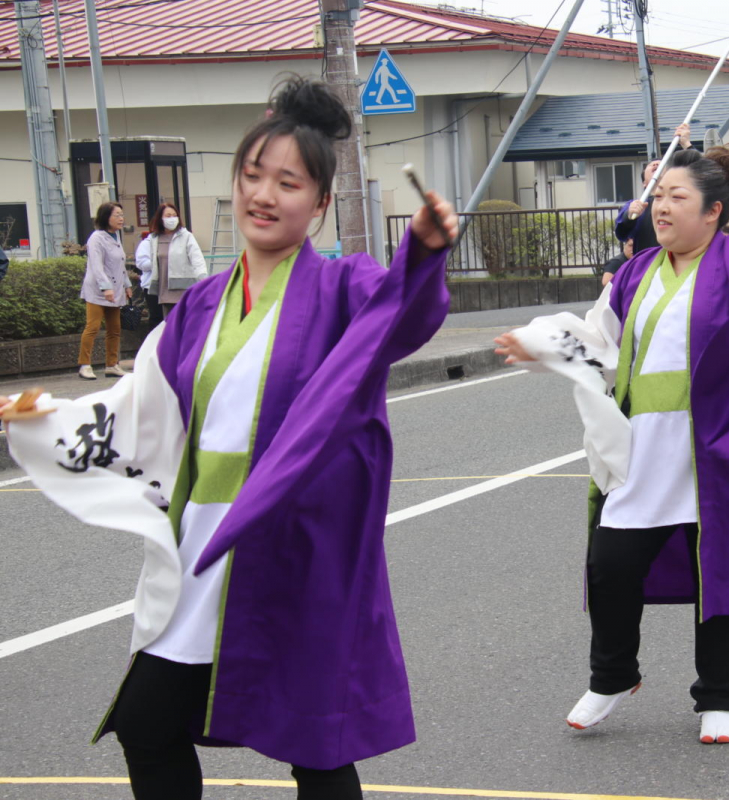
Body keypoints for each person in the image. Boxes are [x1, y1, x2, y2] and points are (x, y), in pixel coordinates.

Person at [2, 76, 456, 799]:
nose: (264, 195)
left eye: (288, 182)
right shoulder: (202, 303)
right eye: (252, 175)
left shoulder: (346, 287)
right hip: (202, 546)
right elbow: (139, 404)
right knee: (148, 723)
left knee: (315, 746)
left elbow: (402, 316)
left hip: (297, 550)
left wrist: (424, 254)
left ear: (320, 203)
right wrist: (46, 416)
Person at [495, 143, 729, 745]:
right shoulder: (638, 270)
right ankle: (613, 675)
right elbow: (598, 339)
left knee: (720, 576)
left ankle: (718, 696)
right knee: (610, 565)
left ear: (713, 211)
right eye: (658, 195)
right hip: (643, 446)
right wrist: (539, 344)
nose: (660, 207)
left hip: (717, 450)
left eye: (676, 197)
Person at [614, 124, 691, 256]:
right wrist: (629, 216)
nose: (656, 164)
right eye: (650, 165)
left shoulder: (682, 201)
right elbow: (621, 233)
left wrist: (687, 145)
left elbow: (703, 175)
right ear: (644, 183)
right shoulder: (637, 205)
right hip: (648, 264)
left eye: (661, 164)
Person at [79, 201, 133, 380]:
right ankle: (85, 365)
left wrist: (127, 285)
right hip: (97, 290)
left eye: (122, 215)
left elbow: (120, 265)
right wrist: (106, 288)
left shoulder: (116, 236)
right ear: (105, 217)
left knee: (114, 329)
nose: (121, 218)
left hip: (115, 289)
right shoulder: (96, 238)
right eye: (116, 215)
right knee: (92, 327)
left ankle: (112, 365)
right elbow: (96, 266)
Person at [144, 202, 207, 318]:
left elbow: (197, 259)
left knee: (186, 322)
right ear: (160, 218)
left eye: (174, 215)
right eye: (168, 216)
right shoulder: (154, 238)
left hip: (184, 289)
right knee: (169, 323)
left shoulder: (186, 236)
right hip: (165, 290)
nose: (172, 219)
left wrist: (203, 278)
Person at [135, 233, 162, 329]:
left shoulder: (181, 240)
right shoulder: (147, 243)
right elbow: (141, 264)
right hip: (152, 285)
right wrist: (161, 261)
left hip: (175, 285)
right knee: (157, 318)